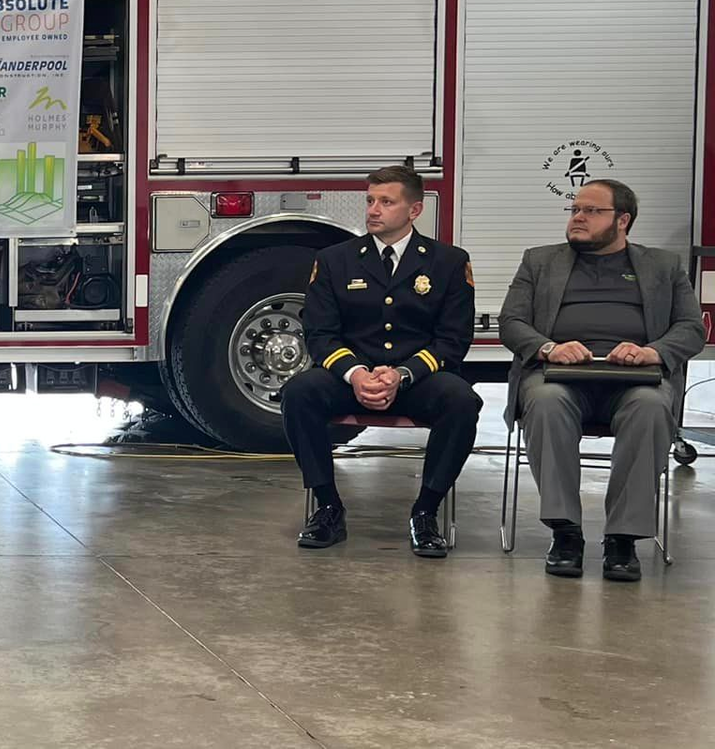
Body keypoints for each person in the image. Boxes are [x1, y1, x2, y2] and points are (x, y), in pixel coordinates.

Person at [499, 179, 701, 582]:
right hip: (560, 374)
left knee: (651, 408)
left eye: (591, 211)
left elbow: (691, 328)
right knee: (547, 401)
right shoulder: (539, 261)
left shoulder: (663, 266)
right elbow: (512, 322)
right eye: (575, 209)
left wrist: (654, 351)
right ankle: (566, 532)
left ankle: (623, 539)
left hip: (634, 379)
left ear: (622, 220)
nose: (578, 217)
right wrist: (547, 348)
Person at [283, 165, 481, 557]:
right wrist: (356, 374)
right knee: (299, 392)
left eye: (386, 202)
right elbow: (320, 333)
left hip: (417, 380)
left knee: (462, 402)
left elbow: (453, 340)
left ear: (414, 211)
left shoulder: (448, 263)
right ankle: (327, 507)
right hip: (352, 379)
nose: (373, 210)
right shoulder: (335, 260)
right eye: (370, 201)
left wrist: (402, 374)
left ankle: (425, 512)